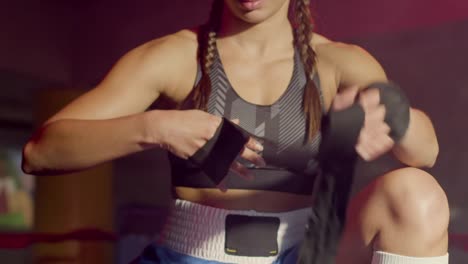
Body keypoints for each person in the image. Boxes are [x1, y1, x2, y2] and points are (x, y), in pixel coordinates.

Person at [22, 0, 449, 263]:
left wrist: (394, 113)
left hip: (309, 253)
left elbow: (425, 152)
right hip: (191, 254)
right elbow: (41, 152)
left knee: (416, 192)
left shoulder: (339, 62)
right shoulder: (174, 56)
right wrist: (155, 126)